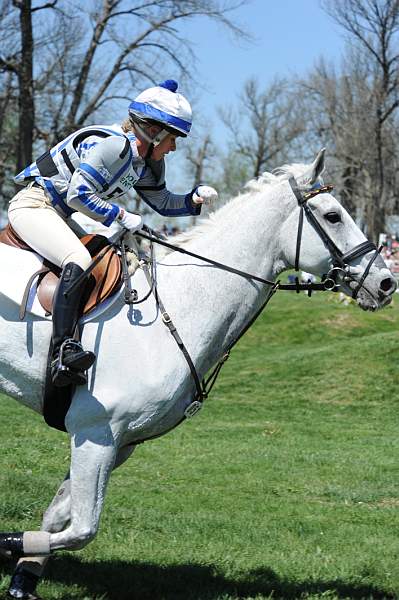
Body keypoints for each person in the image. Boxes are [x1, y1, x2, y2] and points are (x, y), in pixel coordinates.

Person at [10, 79, 218, 387]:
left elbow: (162, 202)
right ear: (155, 131)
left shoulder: (144, 162)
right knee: (79, 258)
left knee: (110, 259)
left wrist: (192, 200)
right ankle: (63, 353)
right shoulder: (114, 145)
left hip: (58, 214)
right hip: (34, 205)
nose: (173, 147)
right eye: (173, 138)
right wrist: (120, 215)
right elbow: (77, 195)